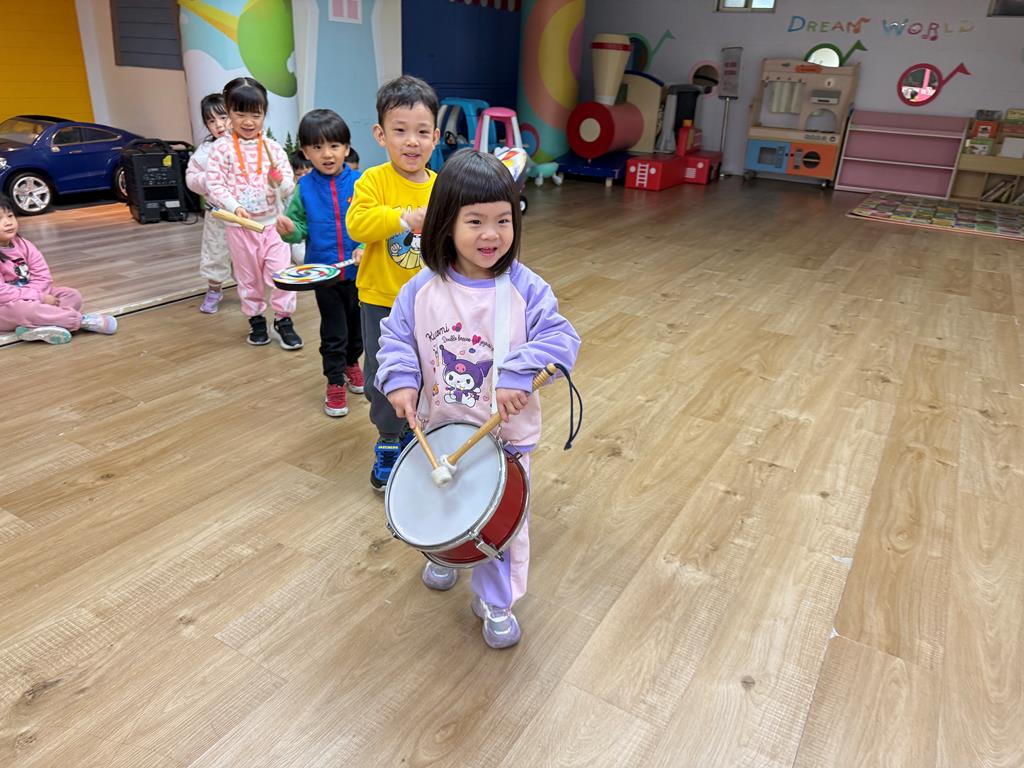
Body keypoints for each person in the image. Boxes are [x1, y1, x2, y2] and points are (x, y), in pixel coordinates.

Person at [376, 149, 581, 648]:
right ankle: (445, 554)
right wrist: (400, 379)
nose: (491, 234)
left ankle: (495, 600)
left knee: (501, 527)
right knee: (444, 503)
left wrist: (519, 372)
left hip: (504, 440)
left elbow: (562, 340)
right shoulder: (420, 289)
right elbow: (395, 338)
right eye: (475, 221)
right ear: (446, 223)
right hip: (441, 428)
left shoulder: (526, 288)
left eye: (503, 220)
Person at [346, 74, 440, 490]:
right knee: (384, 374)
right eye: (400, 131)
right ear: (380, 135)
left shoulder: (441, 187)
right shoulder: (373, 181)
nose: (411, 141)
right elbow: (358, 224)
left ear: (435, 136)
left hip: (432, 302)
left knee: (428, 369)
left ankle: (422, 431)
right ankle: (389, 437)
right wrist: (403, 218)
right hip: (381, 299)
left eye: (422, 131)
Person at [277, 109, 366, 417]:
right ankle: (334, 380)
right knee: (334, 331)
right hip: (324, 275)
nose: (327, 154)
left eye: (334, 146)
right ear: (305, 152)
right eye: (317, 147)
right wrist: (290, 230)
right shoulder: (304, 188)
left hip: (360, 273)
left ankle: (353, 363)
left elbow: (372, 225)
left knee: (358, 329)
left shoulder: (362, 183)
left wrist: (364, 246)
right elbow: (298, 228)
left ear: (346, 148)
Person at [205, 77, 301, 349]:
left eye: (256, 115)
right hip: (240, 229)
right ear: (228, 112)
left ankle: (283, 320)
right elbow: (214, 184)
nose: (248, 122)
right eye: (240, 114)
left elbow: (288, 187)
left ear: (264, 114)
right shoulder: (221, 149)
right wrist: (234, 207)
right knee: (248, 278)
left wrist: (278, 181)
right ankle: (256, 320)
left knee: (282, 275)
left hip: (273, 227)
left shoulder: (272, 148)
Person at [0, 194, 117, 343]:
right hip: (5, 308)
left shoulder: (24, 244)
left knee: (71, 294)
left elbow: (42, 276)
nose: (8, 222)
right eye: (0, 219)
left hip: (34, 296)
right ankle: (79, 321)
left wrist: (38, 297)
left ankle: (42, 325)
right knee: (23, 309)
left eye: (10, 216)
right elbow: (2, 293)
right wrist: (39, 298)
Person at [185, 93, 233, 314]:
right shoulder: (204, 152)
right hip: (219, 215)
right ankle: (214, 289)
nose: (219, 125)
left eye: (223, 117)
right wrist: (207, 180)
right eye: (211, 121)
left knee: (247, 254)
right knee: (216, 252)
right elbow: (191, 177)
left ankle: (250, 287)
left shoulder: (245, 145)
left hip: (246, 214)